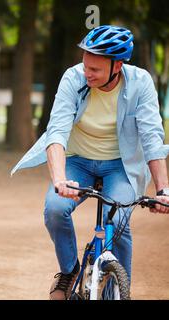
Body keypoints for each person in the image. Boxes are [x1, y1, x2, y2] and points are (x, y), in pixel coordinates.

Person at [10, 25, 169, 300]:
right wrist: (60, 180)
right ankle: (69, 271)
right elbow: (57, 132)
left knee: (119, 220)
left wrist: (163, 190)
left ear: (117, 66)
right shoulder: (73, 78)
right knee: (56, 208)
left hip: (120, 165)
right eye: (85, 65)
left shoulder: (141, 83)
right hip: (77, 161)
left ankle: (118, 291)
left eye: (95, 69)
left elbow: (152, 138)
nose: (87, 73)